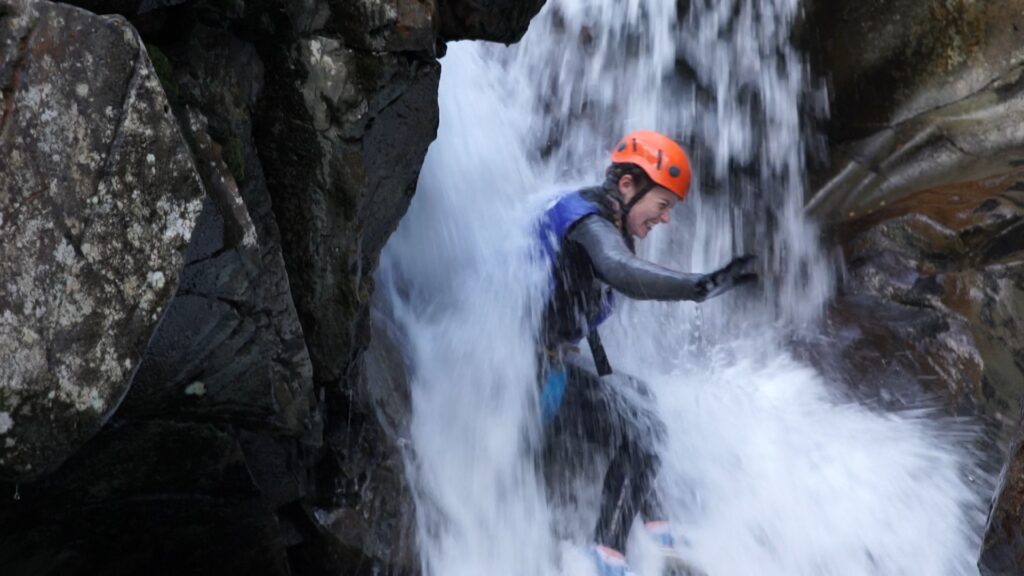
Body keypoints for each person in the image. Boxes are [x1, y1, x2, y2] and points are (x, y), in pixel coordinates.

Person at [536, 130, 757, 576]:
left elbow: (577, 304)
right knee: (646, 427)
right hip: (523, 384)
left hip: (537, 369)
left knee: (638, 397)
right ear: (627, 187)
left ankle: (654, 522)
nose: (667, 218)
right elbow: (620, 271)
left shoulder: (595, 218)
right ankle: (608, 556)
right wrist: (698, 287)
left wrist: (606, 378)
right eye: (664, 204)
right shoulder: (589, 223)